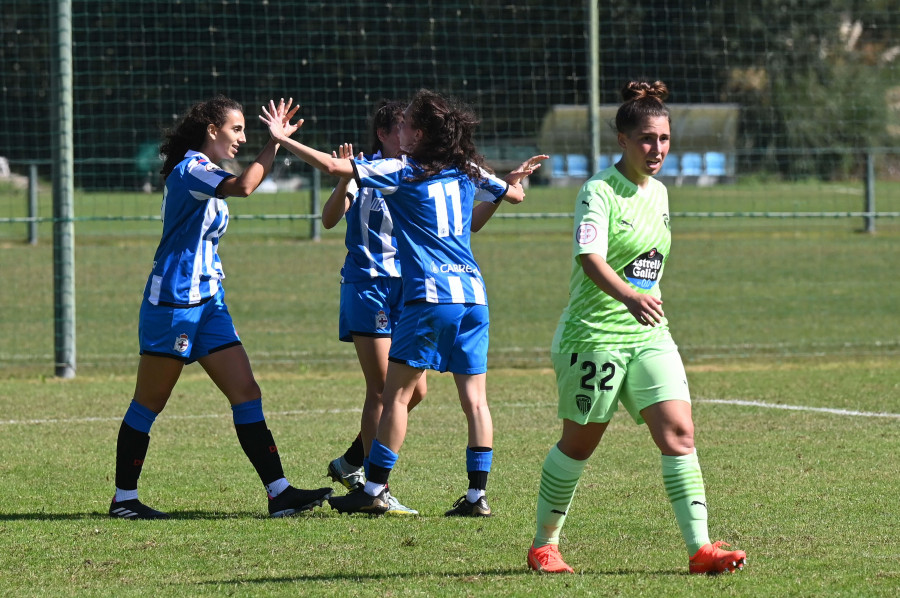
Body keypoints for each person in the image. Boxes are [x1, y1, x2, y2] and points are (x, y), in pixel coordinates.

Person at [260, 89, 537, 516]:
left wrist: (282, 138)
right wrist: (512, 180)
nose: (399, 127)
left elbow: (334, 164)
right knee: (476, 400)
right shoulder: (468, 169)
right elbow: (514, 195)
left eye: (406, 122)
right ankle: (477, 496)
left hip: (430, 295)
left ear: (418, 133)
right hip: (474, 295)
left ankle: (372, 489)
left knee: (396, 396)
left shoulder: (402, 170)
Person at [526, 80, 747, 574]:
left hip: (648, 335)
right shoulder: (599, 191)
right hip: (593, 336)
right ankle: (544, 545)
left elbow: (647, 264)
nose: (657, 148)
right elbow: (589, 257)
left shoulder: (663, 193)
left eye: (664, 139)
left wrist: (642, 300)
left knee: (680, 434)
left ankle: (700, 550)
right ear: (622, 140)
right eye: (647, 138)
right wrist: (628, 295)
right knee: (579, 444)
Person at [109, 96, 333, 520]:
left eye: (246, 130)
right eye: (236, 129)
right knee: (149, 403)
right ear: (211, 130)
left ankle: (279, 493)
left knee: (246, 392)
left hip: (209, 304)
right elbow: (245, 186)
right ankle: (124, 499)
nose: (242, 138)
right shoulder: (192, 168)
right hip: (174, 304)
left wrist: (275, 143)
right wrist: (276, 143)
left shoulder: (206, 171)